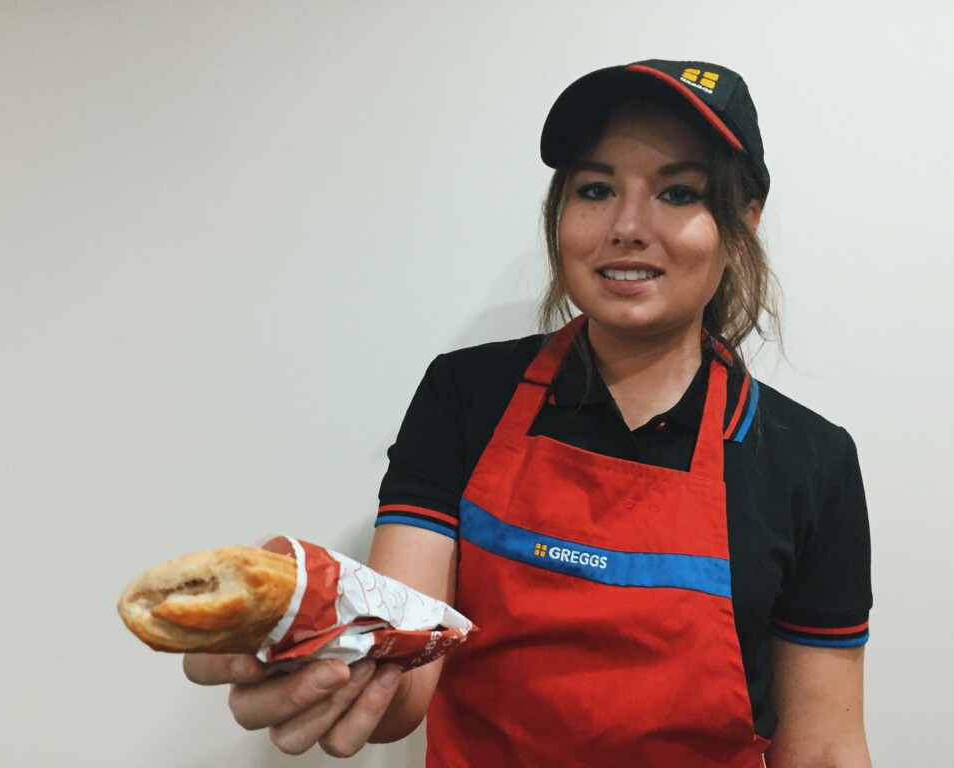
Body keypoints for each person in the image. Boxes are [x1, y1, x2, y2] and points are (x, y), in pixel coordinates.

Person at [183, 59, 872, 767]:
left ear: (741, 226)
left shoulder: (809, 463)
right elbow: (407, 674)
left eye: (677, 192)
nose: (627, 226)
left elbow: (822, 751)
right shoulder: (466, 395)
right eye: (596, 189)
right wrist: (328, 654)